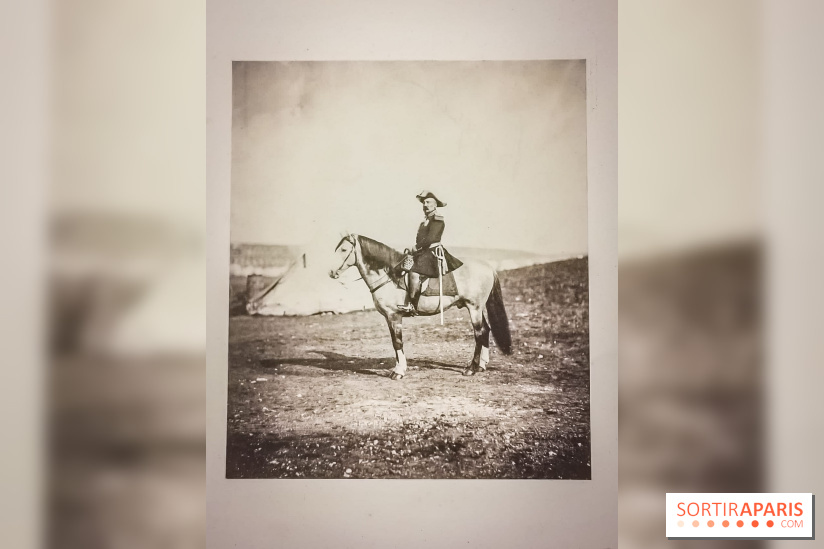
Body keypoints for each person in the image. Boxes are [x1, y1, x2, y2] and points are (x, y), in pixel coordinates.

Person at [397, 191, 463, 314]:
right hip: (423, 251)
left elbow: (431, 238)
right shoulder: (424, 221)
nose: (425, 205)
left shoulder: (437, 219)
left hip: (432, 252)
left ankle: (412, 305)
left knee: (414, 272)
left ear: (435, 205)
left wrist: (416, 247)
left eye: (428, 202)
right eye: (423, 203)